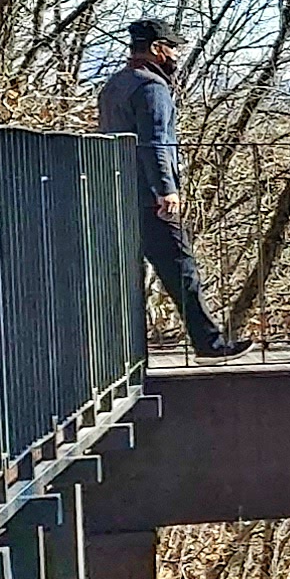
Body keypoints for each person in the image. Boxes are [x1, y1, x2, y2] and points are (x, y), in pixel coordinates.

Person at [95, 19, 249, 358]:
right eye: (172, 48)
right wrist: (166, 190)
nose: (176, 55)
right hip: (148, 197)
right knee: (182, 269)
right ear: (156, 49)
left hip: (114, 192)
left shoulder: (114, 85)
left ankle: (117, 353)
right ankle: (209, 344)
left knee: (121, 278)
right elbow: (155, 142)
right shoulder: (152, 88)